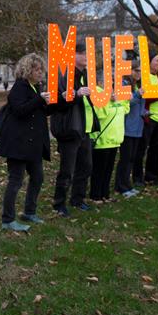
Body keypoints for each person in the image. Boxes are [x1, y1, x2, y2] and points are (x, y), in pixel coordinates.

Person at [0, 53, 50, 229]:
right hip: (17, 144)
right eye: (37, 69)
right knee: (16, 180)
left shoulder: (36, 88)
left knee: (38, 177)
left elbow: (41, 111)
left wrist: (54, 100)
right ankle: (8, 219)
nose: (40, 72)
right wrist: (40, 99)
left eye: (41, 69)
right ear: (28, 70)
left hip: (33, 144)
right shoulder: (20, 87)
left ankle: (29, 211)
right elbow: (20, 109)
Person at [49, 42, 99, 217]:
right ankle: (59, 203)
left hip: (83, 129)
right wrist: (77, 95)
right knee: (67, 170)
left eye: (87, 53)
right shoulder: (64, 75)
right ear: (73, 55)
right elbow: (59, 102)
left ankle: (78, 199)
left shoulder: (85, 75)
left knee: (86, 166)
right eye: (83, 53)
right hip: (69, 128)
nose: (86, 57)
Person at [89, 79, 130, 202]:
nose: (111, 85)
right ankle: (95, 195)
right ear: (100, 82)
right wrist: (108, 100)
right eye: (107, 82)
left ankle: (105, 194)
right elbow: (100, 114)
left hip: (115, 139)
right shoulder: (97, 94)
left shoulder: (115, 94)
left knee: (108, 170)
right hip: (102, 140)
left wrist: (122, 100)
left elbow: (125, 110)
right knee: (99, 170)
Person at [133, 54, 158, 186]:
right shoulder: (143, 77)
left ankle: (152, 176)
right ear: (149, 62)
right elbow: (144, 97)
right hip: (148, 118)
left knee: (157, 149)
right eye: (157, 60)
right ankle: (137, 178)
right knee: (141, 149)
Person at [114, 60, 146, 198]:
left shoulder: (137, 85)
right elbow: (127, 101)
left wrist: (145, 112)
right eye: (136, 70)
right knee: (125, 158)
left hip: (137, 126)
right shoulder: (124, 84)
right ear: (130, 70)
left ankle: (126, 184)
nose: (139, 74)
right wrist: (138, 94)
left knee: (132, 157)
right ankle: (121, 186)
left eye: (140, 71)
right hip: (127, 127)